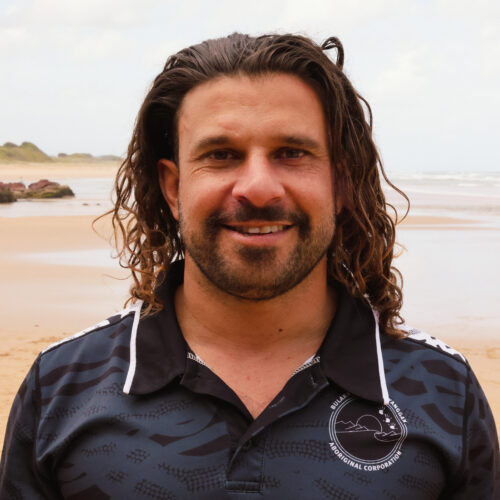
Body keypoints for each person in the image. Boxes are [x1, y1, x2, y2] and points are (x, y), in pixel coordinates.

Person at [0, 33, 498, 499]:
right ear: (173, 187)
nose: (258, 188)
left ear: (340, 182)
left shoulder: (444, 392)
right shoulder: (62, 387)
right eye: (221, 155)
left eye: (291, 153)